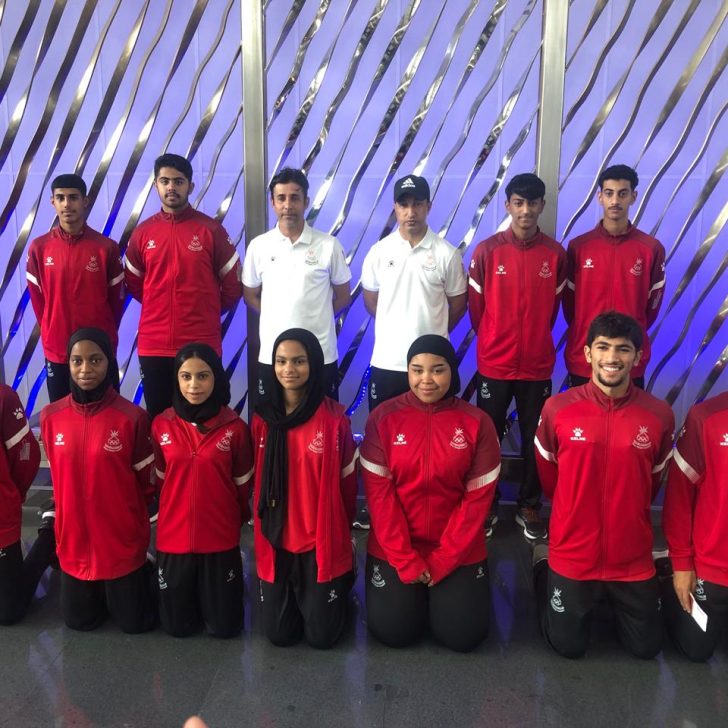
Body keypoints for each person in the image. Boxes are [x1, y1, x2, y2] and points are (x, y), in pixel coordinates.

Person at [533, 312, 674, 658]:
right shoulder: (557, 409)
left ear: (638, 357)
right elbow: (549, 476)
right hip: (573, 550)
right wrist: (572, 509)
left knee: (646, 649)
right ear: (587, 353)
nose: (612, 357)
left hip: (631, 555)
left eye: (623, 349)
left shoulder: (659, 415)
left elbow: (653, 480)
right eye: (603, 347)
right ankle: (542, 564)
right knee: (568, 647)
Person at [361, 335, 501, 652]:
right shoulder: (382, 419)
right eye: (417, 370)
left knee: (463, 637)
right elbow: (380, 500)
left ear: (452, 371)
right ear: (407, 371)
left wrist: (442, 560)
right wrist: (405, 560)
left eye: (437, 370)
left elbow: (476, 502)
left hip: (457, 548)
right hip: (395, 547)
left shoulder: (477, 423)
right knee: (394, 633)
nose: (426, 379)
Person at [468, 173, 566, 540]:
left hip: (537, 366)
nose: (526, 210)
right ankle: (487, 503)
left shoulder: (555, 255)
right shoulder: (487, 251)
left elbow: (554, 309)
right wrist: (495, 338)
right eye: (518, 203)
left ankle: (529, 505)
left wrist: (536, 338)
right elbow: (477, 311)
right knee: (488, 438)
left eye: (532, 203)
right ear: (508, 205)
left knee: (534, 439)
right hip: (494, 364)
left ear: (542, 205)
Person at [40, 328, 156, 633]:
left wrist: (126, 519)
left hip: (120, 544)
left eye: (95, 360)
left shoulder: (132, 418)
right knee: (79, 622)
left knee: (134, 624)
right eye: (77, 361)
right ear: (68, 363)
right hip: (74, 544)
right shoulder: (51, 417)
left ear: (109, 362)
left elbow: (147, 486)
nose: (85, 369)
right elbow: (59, 477)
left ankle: (142, 567)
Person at [252, 328, 357, 649]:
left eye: (299, 361)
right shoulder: (262, 419)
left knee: (322, 638)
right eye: (281, 361)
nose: (289, 369)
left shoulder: (335, 420)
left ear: (313, 364)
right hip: (277, 540)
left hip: (318, 542)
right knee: (279, 636)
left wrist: (340, 535)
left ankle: (342, 575)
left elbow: (347, 488)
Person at [125, 153, 243, 417]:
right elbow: (134, 282)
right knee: (160, 419)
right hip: (154, 344)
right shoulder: (143, 233)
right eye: (164, 181)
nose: (171, 187)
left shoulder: (211, 231)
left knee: (204, 419)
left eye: (178, 181)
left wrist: (207, 309)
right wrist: (158, 304)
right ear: (155, 185)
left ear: (190, 186)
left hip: (201, 341)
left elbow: (233, 284)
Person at [152, 343, 253, 638]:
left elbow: (242, 486)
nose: (194, 385)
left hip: (219, 538)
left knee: (225, 628)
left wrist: (231, 522)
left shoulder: (235, 428)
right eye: (186, 377)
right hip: (174, 538)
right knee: (176, 629)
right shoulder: (161, 425)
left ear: (216, 378)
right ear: (176, 379)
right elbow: (161, 481)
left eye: (203, 376)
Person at [242, 167, 351, 403]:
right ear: (272, 203)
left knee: (323, 420)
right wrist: (275, 314)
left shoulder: (328, 245)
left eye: (295, 198)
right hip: (274, 356)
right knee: (274, 421)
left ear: (306, 202)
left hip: (320, 354)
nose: (288, 205)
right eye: (281, 198)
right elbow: (250, 295)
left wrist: (318, 315)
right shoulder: (259, 247)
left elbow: (344, 296)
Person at [361, 175, 467, 410]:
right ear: (395, 207)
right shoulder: (378, 252)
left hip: (433, 365)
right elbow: (371, 303)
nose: (411, 212)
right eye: (404, 205)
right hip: (388, 361)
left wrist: (434, 333)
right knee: (383, 428)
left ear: (428, 206)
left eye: (417, 204)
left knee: (434, 428)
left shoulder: (447, 254)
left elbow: (459, 306)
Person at [563, 164, 665, 388]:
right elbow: (569, 305)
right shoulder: (578, 247)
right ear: (600, 197)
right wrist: (584, 327)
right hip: (584, 357)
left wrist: (634, 329)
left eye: (622, 193)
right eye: (609, 193)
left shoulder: (650, 248)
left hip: (629, 359)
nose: (615, 201)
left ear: (633, 197)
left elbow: (652, 306)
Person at [26, 174, 124, 402]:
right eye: (60, 198)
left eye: (73, 197)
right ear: (53, 202)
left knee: (107, 413)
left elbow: (116, 302)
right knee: (61, 413)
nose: (67, 204)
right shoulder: (39, 248)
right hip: (58, 349)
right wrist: (51, 327)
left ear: (84, 201)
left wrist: (104, 333)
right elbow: (38, 301)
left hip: (99, 349)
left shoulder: (105, 248)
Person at [662, 391, 728, 661]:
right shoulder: (706, 416)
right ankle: (665, 579)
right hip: (712, 567)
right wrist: (681, 563)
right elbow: (679, 495)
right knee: (696, 650)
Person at [0, 385, 56, 624]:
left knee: (8, 612)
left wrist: (12, 494)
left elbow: (25, 455)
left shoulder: (4, 397)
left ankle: (49, 534)